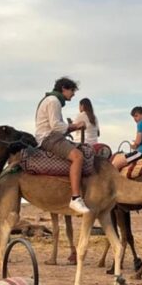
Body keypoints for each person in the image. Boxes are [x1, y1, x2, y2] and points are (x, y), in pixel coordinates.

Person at [35, 77, 89, 215]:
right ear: (64, 89)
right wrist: (76, 125)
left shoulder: (52, 100)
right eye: (72, 90)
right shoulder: (54, 101)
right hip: (49, 138)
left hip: (51, 136)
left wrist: (72, 128)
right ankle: (76, 197)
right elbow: (56, 126)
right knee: (78, 157)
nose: (73, 94)